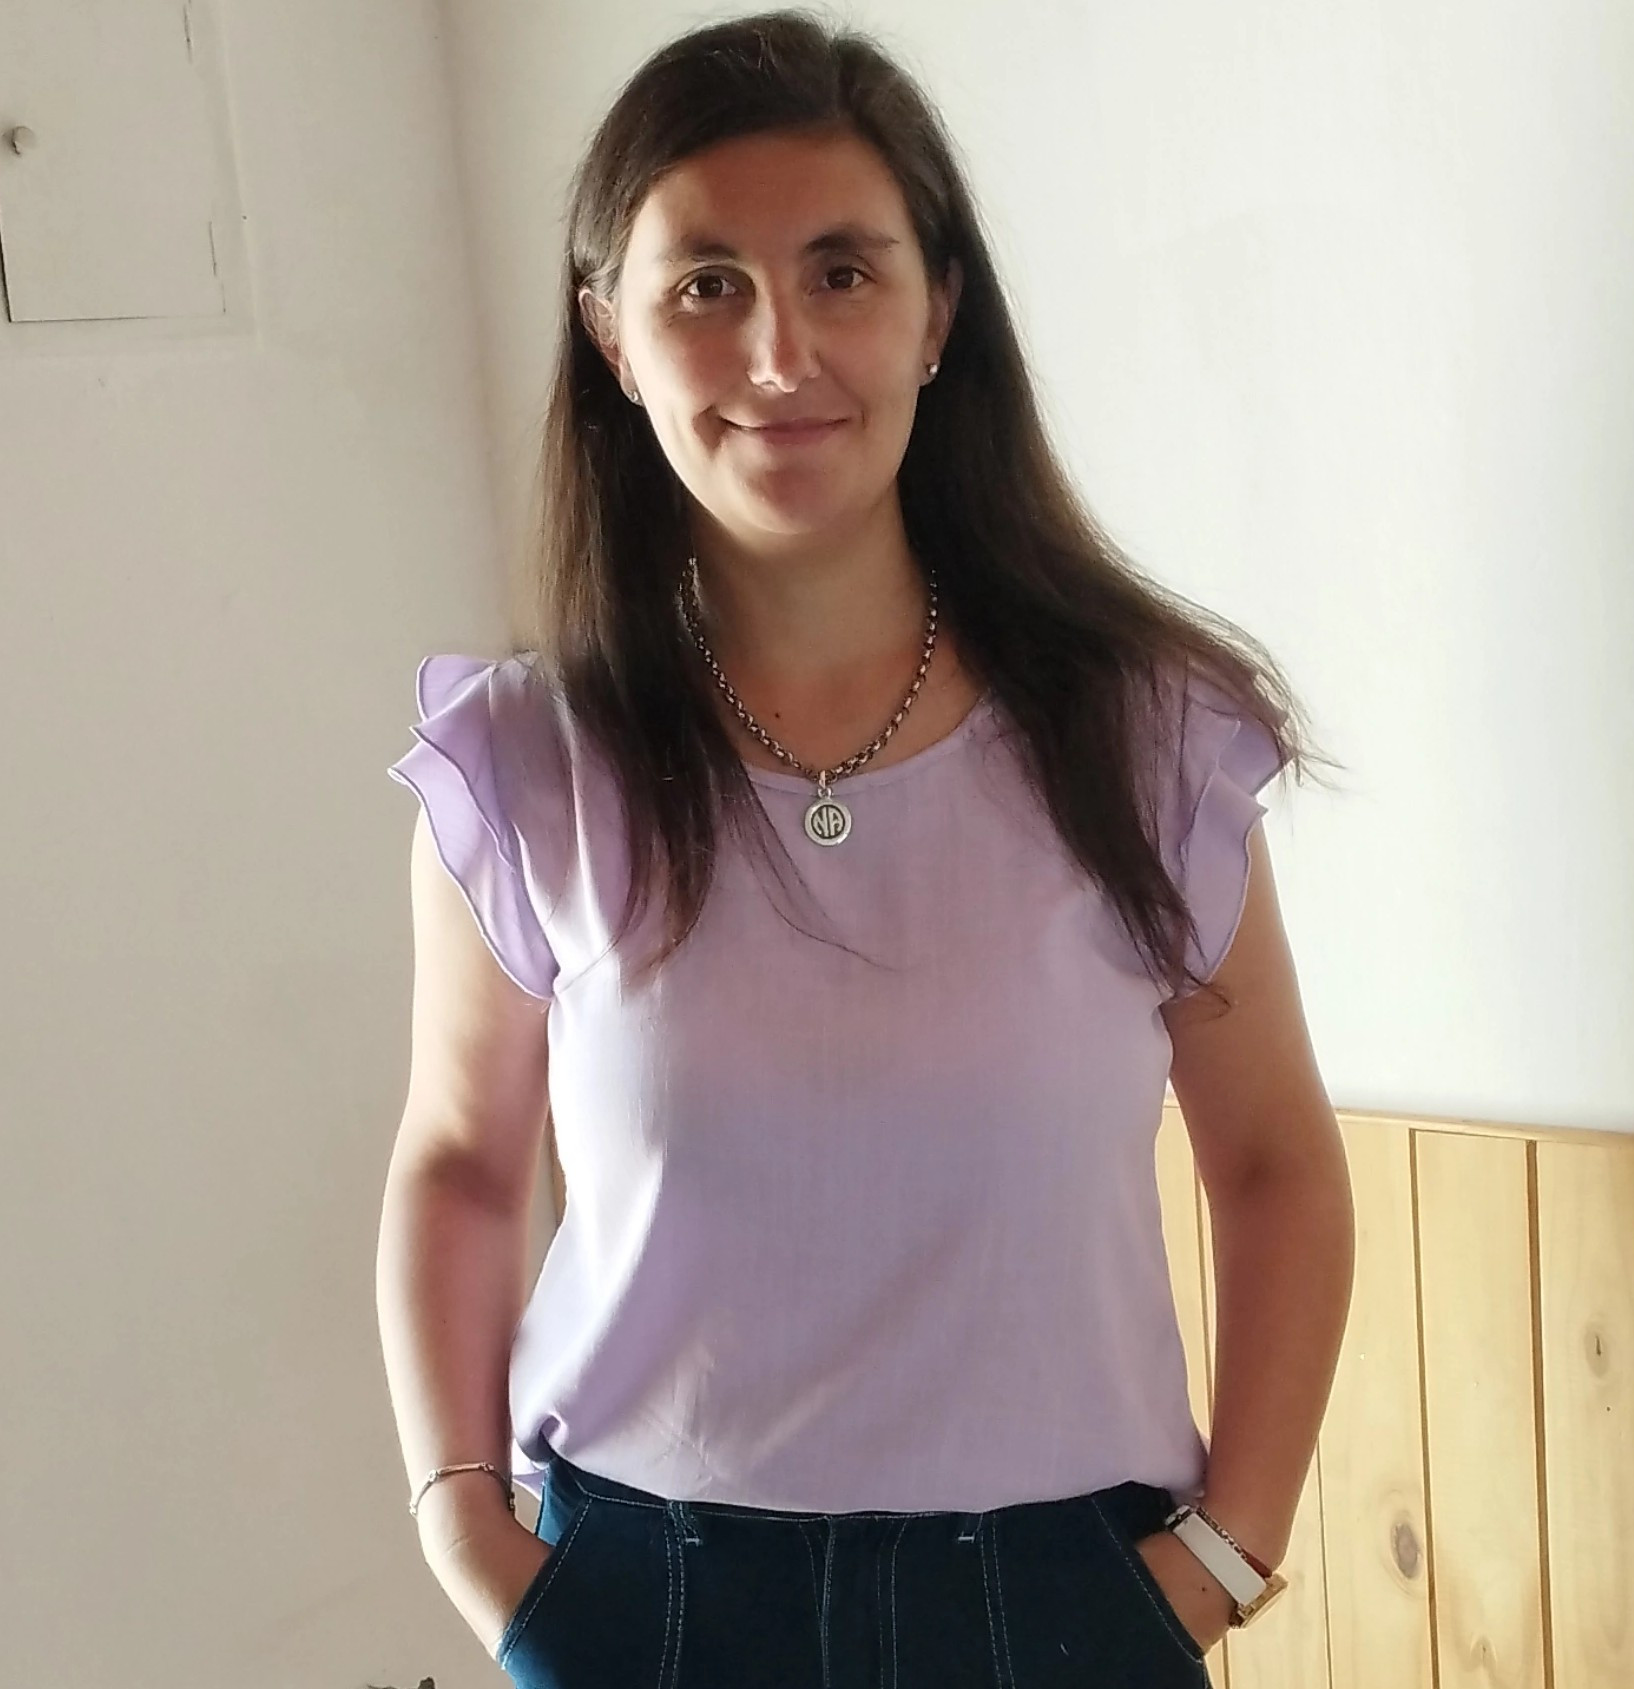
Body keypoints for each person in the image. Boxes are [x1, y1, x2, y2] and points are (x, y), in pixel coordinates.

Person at [375, 10, 1356, 1687]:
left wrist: (1224, 1549)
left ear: (935, 311)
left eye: (841, 272)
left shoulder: (1144, 736)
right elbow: (461, 1162)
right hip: (641, 1595)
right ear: (610, 331)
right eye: (705, 284)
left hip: (1063, 1593)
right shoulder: (526, 760)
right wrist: (463, 1525)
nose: (778, 354)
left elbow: (1272, 1160)